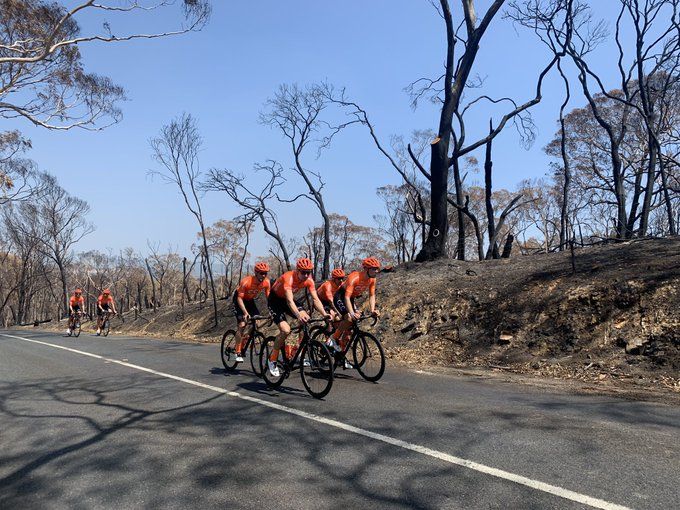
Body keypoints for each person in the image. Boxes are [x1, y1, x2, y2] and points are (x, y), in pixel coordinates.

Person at [266, 257, 330, 377]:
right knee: (285, 330)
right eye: (303, 272)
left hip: (286, 300)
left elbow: (315, 299)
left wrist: (324, 314)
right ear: (297, 270)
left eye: (308, 272)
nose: (306, 275)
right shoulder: (288, 278)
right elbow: (290, 302)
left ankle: (297, 350)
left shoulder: (309, 280)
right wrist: (297, 315)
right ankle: (272, 359)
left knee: (306, 318)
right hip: (275, 301)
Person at [331, 257, 381, 366]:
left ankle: (341, 354)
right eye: (374, 269)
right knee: (349, 318)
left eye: (377, 269)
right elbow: (347, 297)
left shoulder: (372, 279)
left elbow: (372, 295)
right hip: (341, 296)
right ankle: (333, 339)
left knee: (350, 330)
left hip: (351, 298)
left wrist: (373, 310)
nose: (376, 271)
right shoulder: (354, 277)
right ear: (366, 269)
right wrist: (352, 313)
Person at [232, 262, 271, 362]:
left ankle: (245, 340)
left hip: (250, 300)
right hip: (239, 299)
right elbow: (240, 299)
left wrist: (272, 310)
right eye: (261, 273)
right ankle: (237, 351)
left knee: (256, 322)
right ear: (256, 272)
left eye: (265, 273)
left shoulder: (266, 282)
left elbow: (269, 298)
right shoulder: (246, 281)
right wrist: (245, 313)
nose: (263, 275)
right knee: (242, 324)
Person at [315, 268, 346, 350]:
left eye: (343, 278)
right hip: (321, 301)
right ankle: (328, 338)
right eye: (339, 278)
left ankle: (334, 336)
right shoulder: (328, 285)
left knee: (338, 320)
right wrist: (337, 312)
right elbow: (331, 302)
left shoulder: (340, 285)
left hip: (331, 300)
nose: (341, 280)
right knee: (331, 316)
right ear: (333, 279)